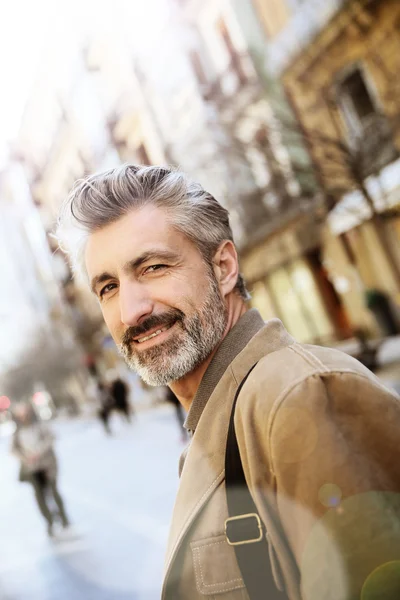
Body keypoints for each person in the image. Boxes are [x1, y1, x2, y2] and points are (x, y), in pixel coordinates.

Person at [57, 165, 400, 599]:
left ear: (223, 267)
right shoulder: (225, 415)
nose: (130, 310)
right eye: (107, 287)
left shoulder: (299, 398)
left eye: (154, 267)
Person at [11, 402, 69, 537]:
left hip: (48, 464)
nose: (23, 415)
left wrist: (39, 452)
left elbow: (52, 437)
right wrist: (25, 457)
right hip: (32, 468)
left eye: (24, 412)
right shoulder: (17, 431)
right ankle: (49, 521)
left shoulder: (40, 425)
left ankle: (63, 517)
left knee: (53, 491)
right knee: (39, 496)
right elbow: (13, 449)